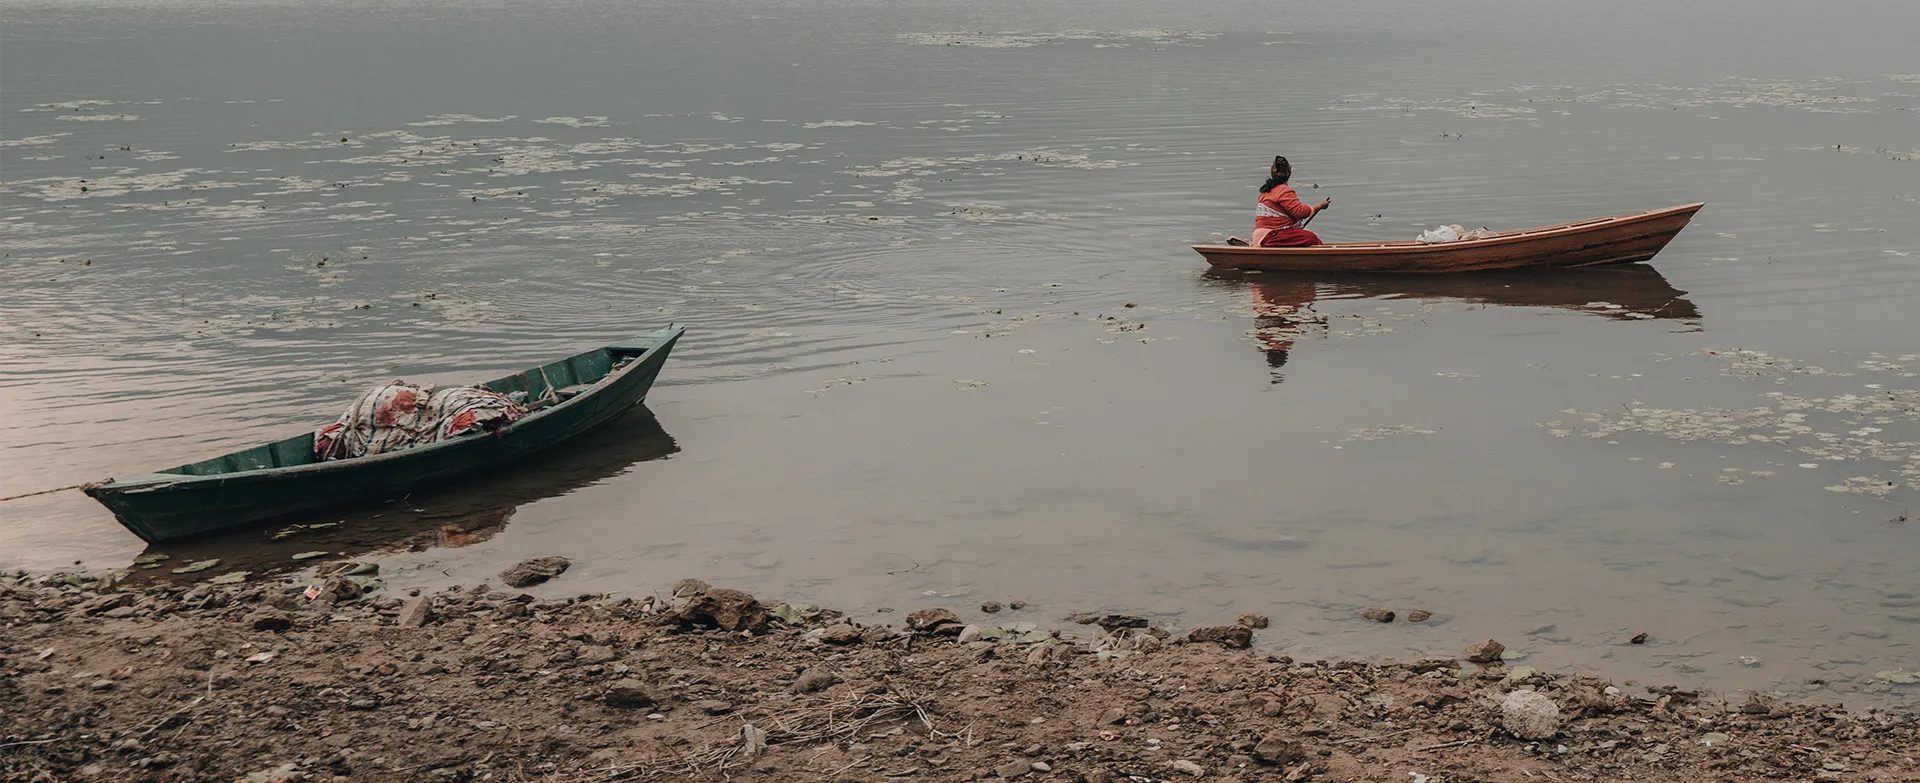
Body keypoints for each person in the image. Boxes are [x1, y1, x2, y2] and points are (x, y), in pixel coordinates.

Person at [1227, 156, 1330, 247]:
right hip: (1269, 237)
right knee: (1310, 237)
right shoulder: (1284, 191)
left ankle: (1254, 244)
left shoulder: (1265, 192)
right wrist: (1319, 206)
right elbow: (1300, 212)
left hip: (1261, 236)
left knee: (1309, 238)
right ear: (1288, 173)